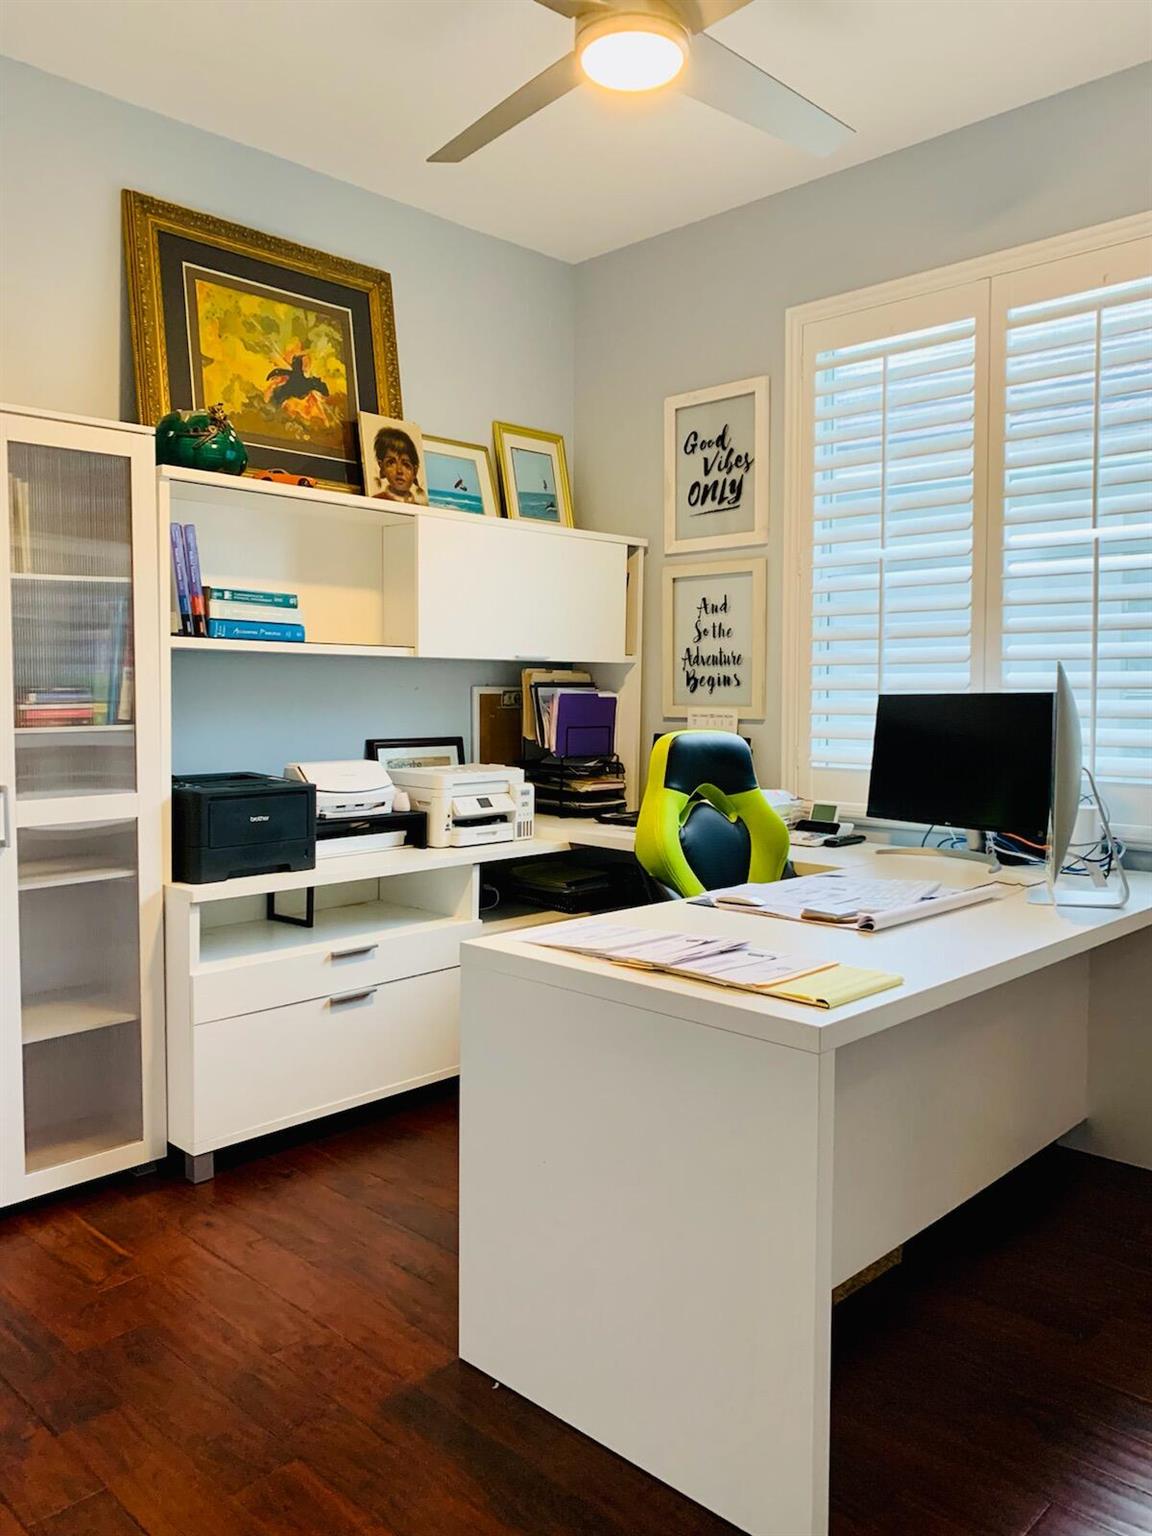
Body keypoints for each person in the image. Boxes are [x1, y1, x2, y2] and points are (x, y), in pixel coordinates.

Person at [372, 425, 427, 504]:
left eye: (406, 464)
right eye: (391, 463)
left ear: (415, 470)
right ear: (382, 466)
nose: (399, 471)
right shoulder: (376, 501)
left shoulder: (419, 507)